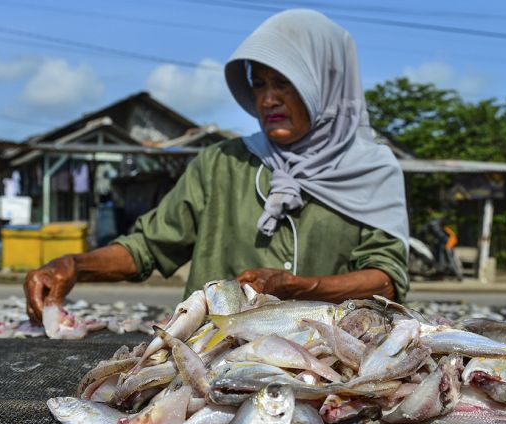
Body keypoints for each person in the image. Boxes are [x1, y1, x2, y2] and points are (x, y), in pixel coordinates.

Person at [24, 9, 410, 326]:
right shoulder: (221, 163)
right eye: (258, 84)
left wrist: (296, 286)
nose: (268, 99)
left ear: (327, 85)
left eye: (285, 83)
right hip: (215, 357)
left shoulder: (371, 169)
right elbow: (148, 247)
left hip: (327, 360)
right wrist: (75, 264)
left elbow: (386, 281)